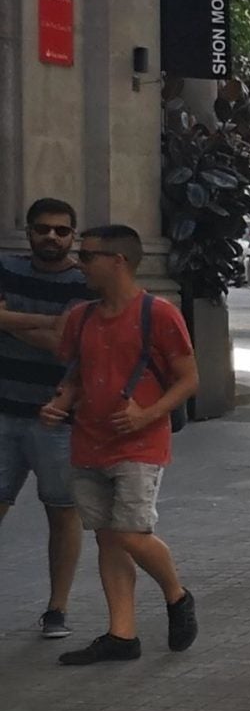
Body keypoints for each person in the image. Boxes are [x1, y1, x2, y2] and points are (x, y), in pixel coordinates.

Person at [41, 226, 199, 667]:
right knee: (109, 538)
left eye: (88, 256)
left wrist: (146, 415)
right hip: (89, 441)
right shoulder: (82, 317)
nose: (80, 262)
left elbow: (190, 379)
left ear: (119, 261)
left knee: (131, 532)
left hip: (140, 443)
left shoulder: (159, 314)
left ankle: (177, 595)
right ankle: (121, 634)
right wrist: (60, 404)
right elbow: (75, 374)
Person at [1, 198, 90, 639]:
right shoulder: (7, 268)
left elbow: (64, 344)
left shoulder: (85, 283)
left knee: (61, 511)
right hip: (4, 410)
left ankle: (57, 609)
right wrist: (52, 324)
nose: (51, 237)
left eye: (60, 230)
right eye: (42, 229)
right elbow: (58, 332)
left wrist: (6, 319)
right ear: (29, 231)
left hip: (58, 419)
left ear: (73, 235)